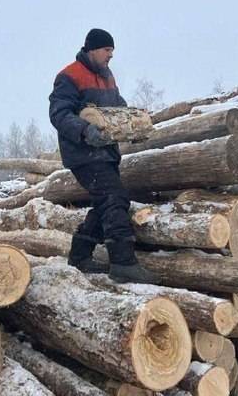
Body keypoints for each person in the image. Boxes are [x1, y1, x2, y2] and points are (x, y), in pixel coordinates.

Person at [49, 29, 157, 283]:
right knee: (114, 198)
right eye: (107, 50)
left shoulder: (107, 76)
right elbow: (59, 114)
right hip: (83, 153)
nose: (111, 55)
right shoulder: (69, 75)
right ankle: (123, 262)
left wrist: (133, 122)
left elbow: (117, 106)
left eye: (112, 51)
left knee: (104, 202)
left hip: (106, 153)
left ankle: (80, 255)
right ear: (93, 49)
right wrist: (85, 130)